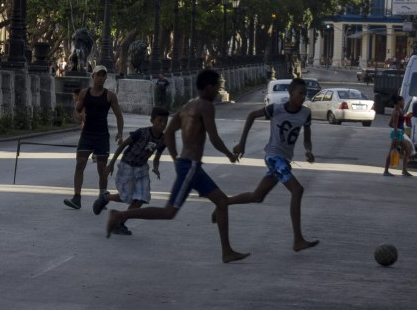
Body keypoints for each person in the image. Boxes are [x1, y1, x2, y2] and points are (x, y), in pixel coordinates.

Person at [105, 69, 249, 264]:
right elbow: (213, 137)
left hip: (190, 166)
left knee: (222, 202)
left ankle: (227, 251)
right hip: (190, 166)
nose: (217, 91)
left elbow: (170, 132)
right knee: (169, 212)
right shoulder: (206, 106)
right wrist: (229, 154)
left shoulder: (189, 105)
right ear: (208, 87)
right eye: (216, 87)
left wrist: (175, 158)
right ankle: (119, 215)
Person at [226, 78, 319, 251]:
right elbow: (251, 115)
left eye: (304, 94)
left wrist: (308, 151)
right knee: (297, 190)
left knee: (257, 196)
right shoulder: (276, 109)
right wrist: (242, 144)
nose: (303, 97)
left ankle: (223, 203)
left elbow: (307, 139)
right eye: (300, 93)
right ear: (291, 94)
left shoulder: (305, 113)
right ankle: (298, 240)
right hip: (273, 157)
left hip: (284, 160)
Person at [92, 106, 170, 235]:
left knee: (141, 198)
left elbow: (157, 156)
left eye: (165, 122)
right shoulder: (141, 132)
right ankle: (106, 197)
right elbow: (123, 145)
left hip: (142, 169)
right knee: (127, 197)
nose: (162, 124)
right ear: (152, 120)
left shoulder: (164, 139)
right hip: (127, 165)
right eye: (159, 121)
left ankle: (120, 223)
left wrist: (156, 167)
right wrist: (111, 164)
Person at [63, 65, 124, 210]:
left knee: (102, 168)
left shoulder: (110, 96)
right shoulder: (84, 93)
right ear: (93, 77)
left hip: (102, 135)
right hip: (87, 134)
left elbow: (119, 115)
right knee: (80, 163)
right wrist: (78, 116)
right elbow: (76, 112)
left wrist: (120, 133)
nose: (100, 78)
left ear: (105, 78)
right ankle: (76, 198)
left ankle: (102, 197)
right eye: (98, 75)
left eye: (103, 76)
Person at [383, 94, 413, 177]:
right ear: (399, 102)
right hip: (397, 134)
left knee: (406, 150)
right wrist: (396, 134)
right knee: (407, 150)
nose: (403, 102)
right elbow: (394, 124)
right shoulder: (396, 111)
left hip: (398, 133)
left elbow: (390, 124)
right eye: (402, 101)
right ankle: (401, 171)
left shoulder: (399, 111)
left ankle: (400, 170)